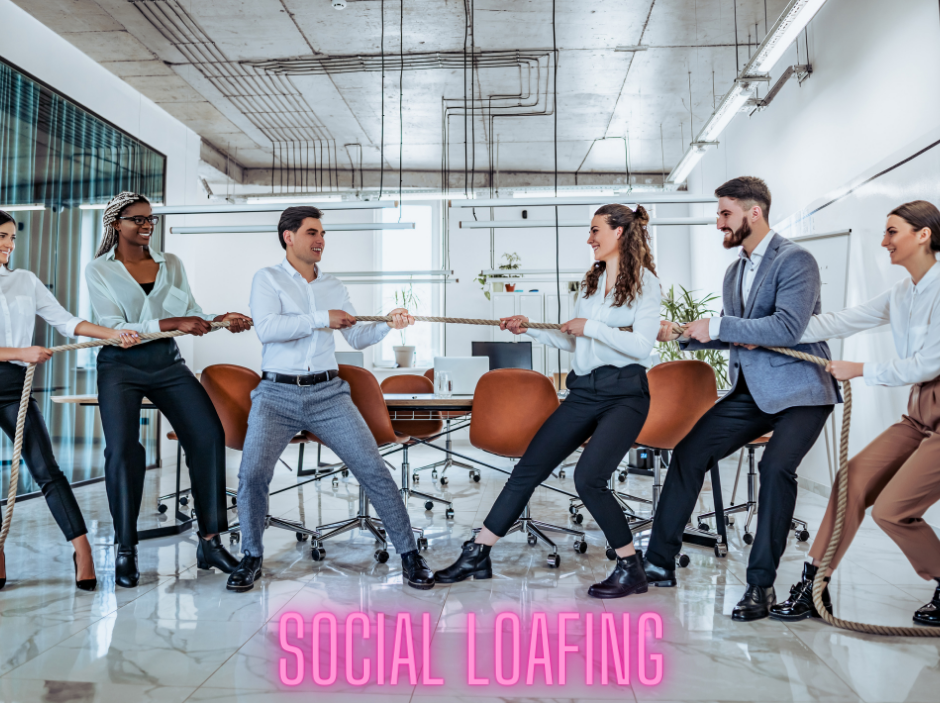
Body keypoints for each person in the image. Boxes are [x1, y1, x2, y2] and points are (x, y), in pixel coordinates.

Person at [434, 204, 661, 599]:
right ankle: (478, 552)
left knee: (588, 478)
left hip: (624, 394)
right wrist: (530, 331)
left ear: (620, 232)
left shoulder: (645, 284)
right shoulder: (592, 283)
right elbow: (574, 338)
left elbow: (641, 345)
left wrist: (590, 326)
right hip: (584, 391)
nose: (589, 239)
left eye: (595, 231)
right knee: (528, 468)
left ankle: (630, 567)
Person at [654, 176, 840, 621]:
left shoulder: (797, 260)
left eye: (724, 213)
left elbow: (784, 329)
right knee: (689, 452)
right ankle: (658, 562)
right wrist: (686, 335)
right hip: (752, 389)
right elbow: (741, 337)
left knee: (775, 467)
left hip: (801, 389)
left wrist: (717, 326)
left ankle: (761, 586)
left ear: (753, 212)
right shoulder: (735, 269)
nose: (718, 222)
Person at [226, 206, 435, 592]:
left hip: (328, 394)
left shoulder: (334, 285)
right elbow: (268, 330)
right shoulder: (267, 279)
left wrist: (386, 324)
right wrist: (323, 318)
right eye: (311, 232)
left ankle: (409, 554)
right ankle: (251, 557)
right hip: (276, 394)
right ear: (288, 236)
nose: (320, 240)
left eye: (322, 233)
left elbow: (355, 336)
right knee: (252, 474)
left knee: (373, 470)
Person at [770, 200, 940, 628]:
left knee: (892, 510)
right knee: (851, 482)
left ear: (924, 235)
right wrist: (765, 332)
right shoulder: (904, 292)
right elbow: (841, 321)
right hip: (920, 414)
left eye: (892, 232)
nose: (883, 241)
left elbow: (929, 363)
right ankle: (813, 587)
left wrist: (861, 369)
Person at [85, 192, 252, 588]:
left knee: (208, 434)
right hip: (119, 365)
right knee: (123, 450)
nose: (146, 226)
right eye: (137, 219)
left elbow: (192, 309)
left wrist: (219, 318)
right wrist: (170, 321)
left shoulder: (170, 263)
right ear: (116, 223)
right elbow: (113, 324)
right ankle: (126, 547)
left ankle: (210, 541)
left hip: (167, 362)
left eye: (150, 219)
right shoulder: (99, 270)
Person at [0, 209, 139, 591]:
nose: (10, 245)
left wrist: (113, 334)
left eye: (12, 237)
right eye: (2, 237)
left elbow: (65, 321)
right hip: (14, 364)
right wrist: (18, 352)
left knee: (46, 469)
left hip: (13, 387)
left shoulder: (25, 281)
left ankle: (83, 549)